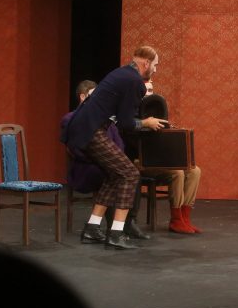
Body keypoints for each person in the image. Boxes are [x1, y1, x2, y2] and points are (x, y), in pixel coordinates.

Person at [61, 46, 167, 249]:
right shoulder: (134, 81)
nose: (155, 69)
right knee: (130, 174)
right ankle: (116, 233)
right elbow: (126, 123)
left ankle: (92, 228)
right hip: (91, 130)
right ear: (146, 63)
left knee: (114, 174)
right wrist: (146, 122)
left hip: (85, 128)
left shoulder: (122, 73)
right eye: (155, 65)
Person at [61, 80, 151, 240]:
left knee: (127, 172)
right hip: (86, 167)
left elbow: (119, 145)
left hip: (105, 164)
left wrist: (113, 160)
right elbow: (77, 149)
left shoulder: (105, 121)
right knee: (120, 174)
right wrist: (105, 160)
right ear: (83, 97)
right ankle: (115, 228)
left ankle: (127, 221)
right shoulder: (72, 119)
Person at [132, 78, 203, 234]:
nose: (149, 94)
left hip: (160, 160)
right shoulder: (130, 111)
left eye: (151, 90)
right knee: (177, 172)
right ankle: (176, 219)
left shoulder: (157, 110)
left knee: (194, 170)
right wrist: (145, 125)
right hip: (139, 161)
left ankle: (184, 218)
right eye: (146, 90)